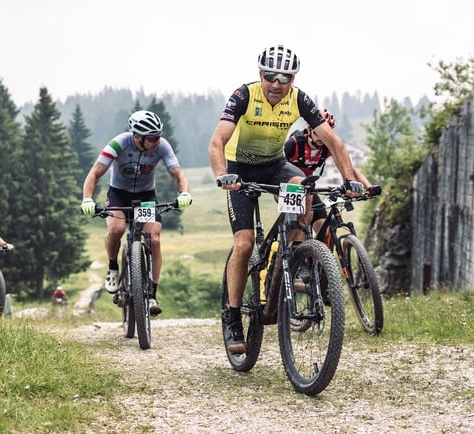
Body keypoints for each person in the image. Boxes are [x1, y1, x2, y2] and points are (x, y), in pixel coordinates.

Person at [208, 45, 366, 354]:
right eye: (271, 76)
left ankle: (298, 253)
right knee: (244, 244)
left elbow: (334, 142)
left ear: (293, 79)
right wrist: (222, 174)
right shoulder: (244, 96)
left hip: (273, 166)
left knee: (302, 185)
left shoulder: (299, 99)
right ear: (260, 75)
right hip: (239, 168)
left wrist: (349, 180)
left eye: (285, 78)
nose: (277, 84)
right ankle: (232, 316)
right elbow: (217, 141)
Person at [80, 110, 192, 315]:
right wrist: (87, 199)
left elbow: (178, 174)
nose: (157, 141)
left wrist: (184, 193)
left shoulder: (162, 145)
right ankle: (113, 267)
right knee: (116, 229)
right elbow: (95, 173)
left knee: (154, 239)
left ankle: (151, 295)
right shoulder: (119, 143)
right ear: (137, 137)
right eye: (152, 138)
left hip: (145, 198)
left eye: (159, 136)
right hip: (119, 195)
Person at [283, 108, 376, 235]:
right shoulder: (293, 144)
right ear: (309, 129)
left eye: (325, 134)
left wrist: (368, 186)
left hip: (308, 187)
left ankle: (318, 254)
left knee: (326, 231)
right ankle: (293, 251)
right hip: (289, 186)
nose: (322, 138)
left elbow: (349, 167)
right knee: (303, 222)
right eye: (318, 133)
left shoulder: (326, 148)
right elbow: (280, 168)